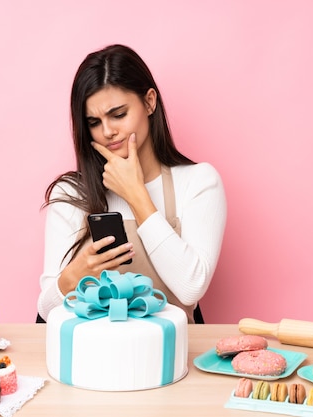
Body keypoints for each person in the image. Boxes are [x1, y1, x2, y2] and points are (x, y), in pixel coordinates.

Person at [36, 44, 226, 324]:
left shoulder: (199, 181)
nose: (108, 131)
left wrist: (136, 194)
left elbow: (190, 289)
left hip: (168, 358)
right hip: (91, 358)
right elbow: (45, 310)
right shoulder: (71, 193)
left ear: (149, 102)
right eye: (94, 122)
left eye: (118, 114)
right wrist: (70, 279)